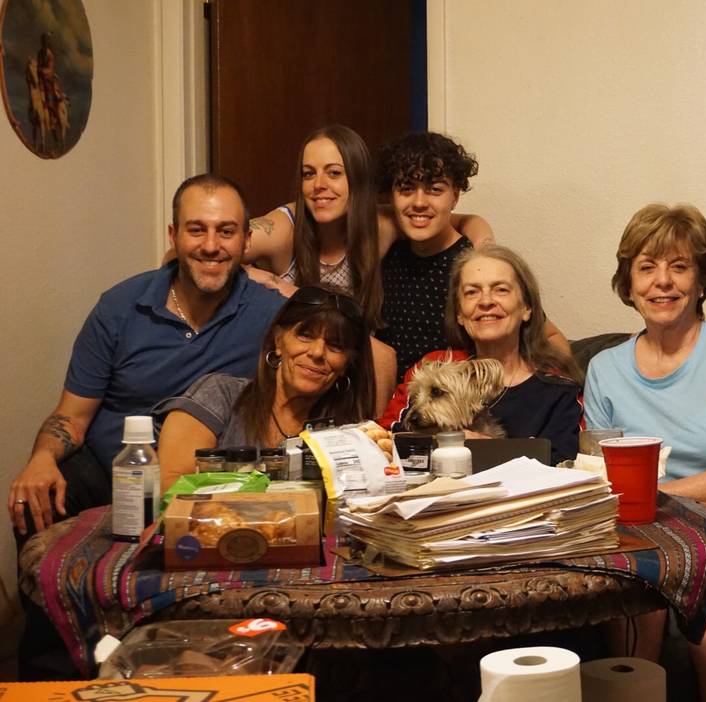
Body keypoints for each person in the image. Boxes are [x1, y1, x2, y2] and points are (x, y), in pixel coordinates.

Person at [7, 175, 284, 539]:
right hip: (112, 474)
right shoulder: (120, 307)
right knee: (34, 502)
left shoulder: (272, 316)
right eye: (196, 230)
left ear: (247, 241)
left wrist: (289, 289)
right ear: (174, 236)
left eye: (226, 231)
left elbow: (343, 348)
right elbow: (71, 417)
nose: (211, 245)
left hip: (209, 485)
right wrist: (41, 459)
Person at [584, 203, 706, 702]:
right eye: (646, 268)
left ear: (701, 281)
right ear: (628, 285)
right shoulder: (604, 367)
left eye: (679, 266)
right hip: (637, 528)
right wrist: (639, 512)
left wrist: (647, 499)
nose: (663, 282)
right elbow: (600, 480)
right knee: (639, 555)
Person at [231, 125, 493, 411]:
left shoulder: (380, 227)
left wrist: (484, 245)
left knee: (379, 354)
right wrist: (259, 275)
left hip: (351, 379)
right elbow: (211, 245)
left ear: (356, 181)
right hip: (290, 372)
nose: (319, 184)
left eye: (333, 172)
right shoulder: (284, 228)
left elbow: (447, 217)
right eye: (308, 173)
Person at [374, 131, 571, 378]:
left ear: (455, 196)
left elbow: (551, 338)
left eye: (435, 189)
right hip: (396, 407)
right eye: (406, 189)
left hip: (461, 405)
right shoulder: (387, 254)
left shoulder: (475, 264)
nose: (419, 202)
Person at [155, 287, 374, 491]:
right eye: (305, 336)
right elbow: (172, 485)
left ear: (347, 364)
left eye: (335, 345)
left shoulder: (348, 433)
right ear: (278, 341)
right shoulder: (219, 394)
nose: (317, 352)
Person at [382, 244, 583, 464]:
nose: (486, 301)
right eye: (471, 292)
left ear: (527, 308)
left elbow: (566, 464)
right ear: (459, 313)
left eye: (501, 289)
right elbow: (385, 442)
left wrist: (485, 448)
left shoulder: (558, 390)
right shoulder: (432, 368)